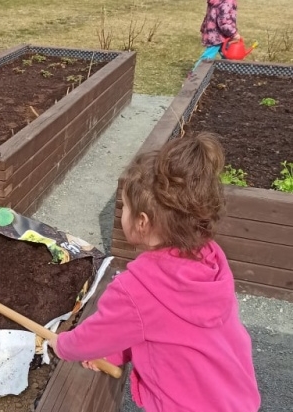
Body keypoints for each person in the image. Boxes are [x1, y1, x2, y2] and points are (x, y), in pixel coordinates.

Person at [49, 133, 260, 411]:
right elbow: (160, 326)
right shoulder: (210, 260)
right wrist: (115, 352)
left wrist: (62, 344)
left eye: (124, 206)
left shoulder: (138, 288)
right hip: (235, 398)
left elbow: (94, 335)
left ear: (143, 222)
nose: (121, 212)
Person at [193, 0, 239, 70]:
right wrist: (233, 33)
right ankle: (195, 75)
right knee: (208, 57)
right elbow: (224, 22)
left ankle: (230, 71)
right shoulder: (227, 3)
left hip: (217, 34)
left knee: (227, 54)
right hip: (216, 36)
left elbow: (209, 16)